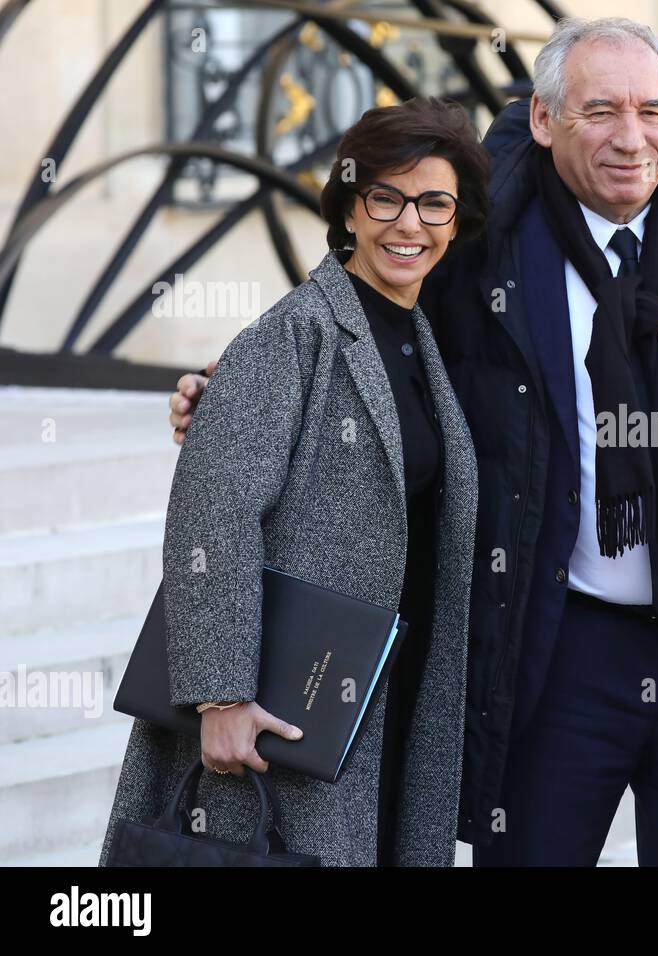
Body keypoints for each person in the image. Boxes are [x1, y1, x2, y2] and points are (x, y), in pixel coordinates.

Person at [169, 16, 658, 866]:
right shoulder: (482, 246)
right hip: (556, 652)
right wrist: (240, 390)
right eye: (600, 112)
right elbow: (362, 315)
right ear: (544, 122)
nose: (631, 138)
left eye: (653, 111)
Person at [101, 95, 490, 867]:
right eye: (387, 197)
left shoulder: (421, 340)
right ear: (349, 208)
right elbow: (213, 511)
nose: (408, 224)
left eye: (433, 203)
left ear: (457, 222)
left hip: (390, 689)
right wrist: (220, 696)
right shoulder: (293, 333)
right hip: (283, 702)